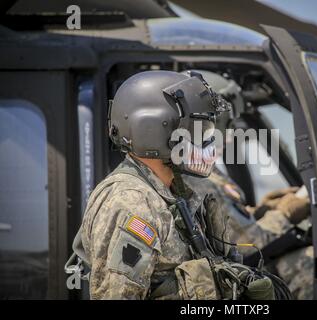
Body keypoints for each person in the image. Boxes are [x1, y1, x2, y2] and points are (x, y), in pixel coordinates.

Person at [78, 70, 286, 300]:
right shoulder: (130, 202)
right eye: (200, 131)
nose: (209, 142)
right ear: (154, 130)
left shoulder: (176, 194)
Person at [182, 70, 314, 299]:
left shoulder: (204, 171)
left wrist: (262, 210)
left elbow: (227, 223)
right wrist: (285, 214)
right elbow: (240, 246)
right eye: (229, 124)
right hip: (230, 277)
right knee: (313, 265)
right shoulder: (196, 178)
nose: (231, 135)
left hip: (237, 269)